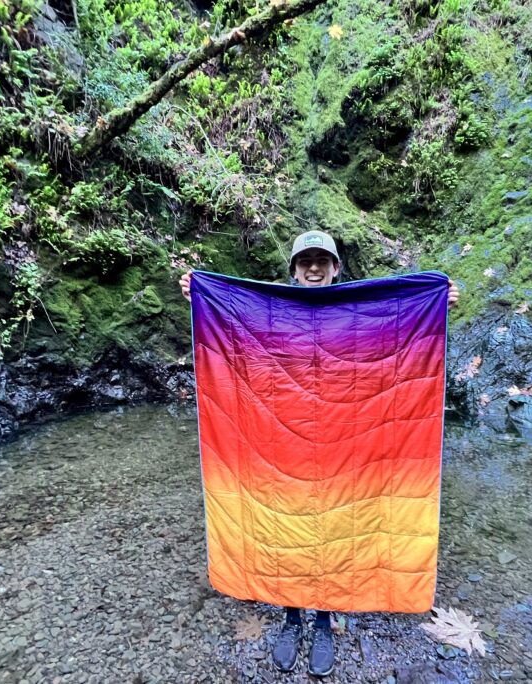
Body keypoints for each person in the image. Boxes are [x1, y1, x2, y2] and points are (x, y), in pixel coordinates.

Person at [179, 230, 459, 676]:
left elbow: (402, 329)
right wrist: (199, 294)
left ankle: (324, 620)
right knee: (287, 524)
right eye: (305, 260)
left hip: (344, 445)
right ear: (292, 269)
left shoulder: (362, 312)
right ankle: (292, 617)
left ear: (335, 269)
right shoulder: (265, 314)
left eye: (321, 261)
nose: (313, 268)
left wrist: (438, 303)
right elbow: (227, 331)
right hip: (282, 446)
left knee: (335, 526)